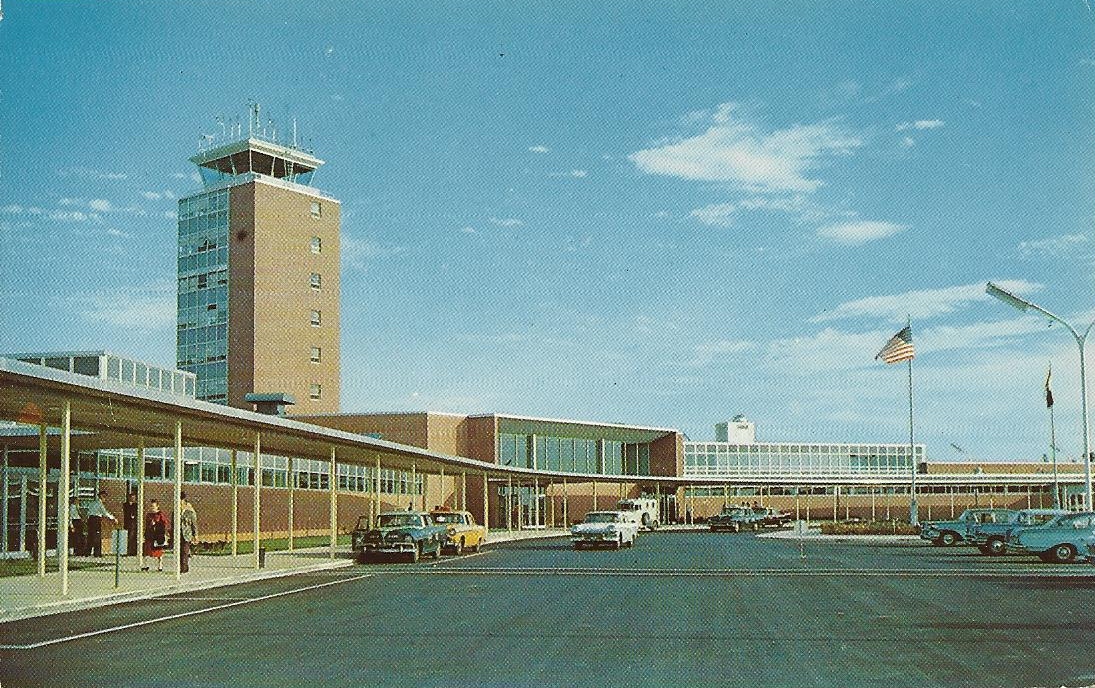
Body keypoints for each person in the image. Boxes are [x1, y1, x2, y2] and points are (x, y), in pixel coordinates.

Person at [84, 490, 117, 557]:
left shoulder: (92, 503)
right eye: (104, 497)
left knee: (90, 536)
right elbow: (104, 513)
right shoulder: (99, 503)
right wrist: (113, 518)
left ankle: (87, 552)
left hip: (90, 519)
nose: (105, 499)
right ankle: (97, 553)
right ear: (101, 496)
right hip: (96, 520)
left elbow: (88, 513)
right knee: (97, 536)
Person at [142, 500, 168, 572]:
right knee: (146, 551)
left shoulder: (160, 514)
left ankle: (160, 566)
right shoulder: (149, 515)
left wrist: (156, 524)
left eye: (153, 506)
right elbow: (146, 525)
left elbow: (165, 523)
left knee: (159, 551)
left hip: (157, 535)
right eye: (151, 506)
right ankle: (146, 565)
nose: (152, 508)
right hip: (149, 535)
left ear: (157, 506)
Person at [179, 492, 198, 574]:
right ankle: (183, 567)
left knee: (184, 551)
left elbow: (194, 524)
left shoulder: (189, 512)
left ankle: (183, 567)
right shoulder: (175, 511)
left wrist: (195, 535)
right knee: (179, 551)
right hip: (178, 534)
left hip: (187, 534)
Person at [122, 492, 138, 556]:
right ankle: (128, 551)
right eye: (132, 498)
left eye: (134, 498)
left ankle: (134, 551)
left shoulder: (136, 505)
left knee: (133, 537)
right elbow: (126, 512)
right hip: (128, 523)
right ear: (129, 498)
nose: (133, 499)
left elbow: (136, 512)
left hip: (134, 523)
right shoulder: (125, 505)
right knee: (128, 537)